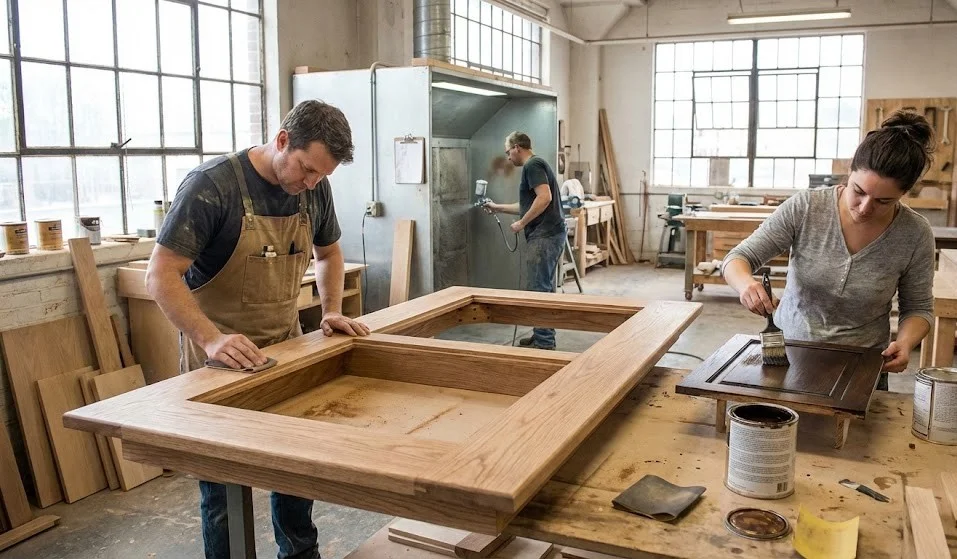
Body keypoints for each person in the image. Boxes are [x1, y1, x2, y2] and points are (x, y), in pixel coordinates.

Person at [146, 99, 371, 559]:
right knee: (224, 489)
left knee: (294, 469)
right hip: (219, 360)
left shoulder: (314, 189)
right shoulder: (212, 187)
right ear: (282, 140)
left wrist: (329, 310)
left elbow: (328, 255)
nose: (309, 183)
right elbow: (161, 274)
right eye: (306, 169)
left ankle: (300, 553)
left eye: (321, 177)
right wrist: (211, 338)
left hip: (284, 350)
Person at [722, 111, 936, 389]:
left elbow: (918, 307)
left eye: (883, 201)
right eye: (858, 191)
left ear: (904, 194)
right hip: (790, 354)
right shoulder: (807, 207)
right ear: (850, 170)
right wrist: (745, 285)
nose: (865, 207)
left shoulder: (915, 233)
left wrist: (905, 343)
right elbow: (737, 259)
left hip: (863, 364)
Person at [485, 131, 567, 350]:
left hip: (545, 236)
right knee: (544, 288)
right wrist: (498, 207)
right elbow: (529, 205)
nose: (508, 158)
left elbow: (545, 198)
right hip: (550, 234)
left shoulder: (533, 165)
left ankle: (544, 343)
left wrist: (521, 224)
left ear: (517, 148)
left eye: (508, 152)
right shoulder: (536, 166)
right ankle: (542, 333)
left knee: (539, 289)